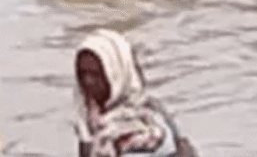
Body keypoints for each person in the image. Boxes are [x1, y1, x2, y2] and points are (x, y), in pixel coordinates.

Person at [74, 29, 197, 157]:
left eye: (96, 74)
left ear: (115, 74)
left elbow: (184, 148)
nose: (87, 81)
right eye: (83, 73)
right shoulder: (89, 119)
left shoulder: (151, 117)